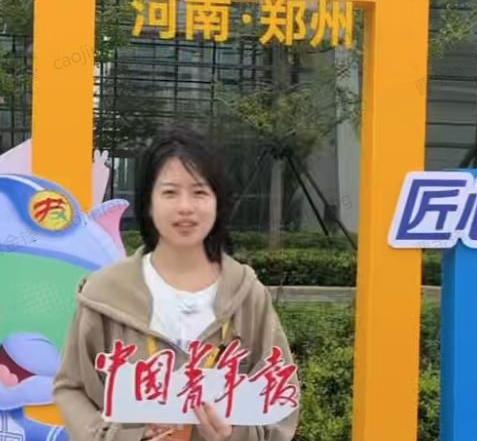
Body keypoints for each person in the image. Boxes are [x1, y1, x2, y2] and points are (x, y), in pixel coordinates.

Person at [53, 127, 299, 441]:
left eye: (199, 192)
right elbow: (71, 387)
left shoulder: (247, 294)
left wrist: (235, 434)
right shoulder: (104, 293)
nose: (185, 207)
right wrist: (117, 437)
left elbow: (281, 394)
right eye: (170, 192)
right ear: (148, 203)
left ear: (218, 202)